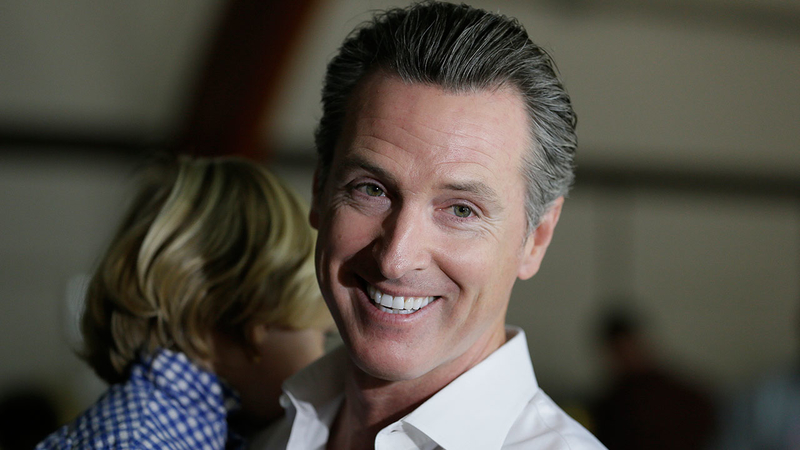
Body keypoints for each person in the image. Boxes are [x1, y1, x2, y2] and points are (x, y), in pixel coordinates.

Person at [254, 2, 605, 449]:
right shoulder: (271, 435)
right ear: (320, 191)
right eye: (372, 190)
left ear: (536, 238)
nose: (396, 259)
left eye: (461, 211)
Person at [37, 156, 332, 449]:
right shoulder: (139, 442)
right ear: (259, 317)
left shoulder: (185, 431)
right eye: (323, 336)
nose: (323, 357)